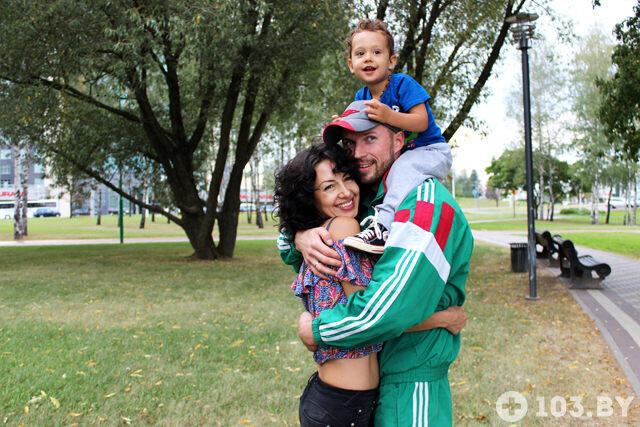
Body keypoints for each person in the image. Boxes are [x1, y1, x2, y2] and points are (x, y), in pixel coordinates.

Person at [280, 102, 474, 426]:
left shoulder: (423, 205)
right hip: (367, 385)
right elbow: (290, 246)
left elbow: (385, 312)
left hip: (410, 380)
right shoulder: (373, 204)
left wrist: (317, 330)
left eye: (370, 138)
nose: (357, 154)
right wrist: (301, 235)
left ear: (399, 141)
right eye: (350, 143)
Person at [329, 18, 452, 255]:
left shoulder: (402, 84)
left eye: (377, 52)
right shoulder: (362, 95)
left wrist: (389, 116)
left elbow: (421, 121)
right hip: (401, 155)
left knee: (402, 170)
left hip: (430, 150)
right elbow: (356, 128)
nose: (368, 58)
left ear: (391, 60)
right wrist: (341, 123)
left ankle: (383, 227)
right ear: (351, 64)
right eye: (361, 53)